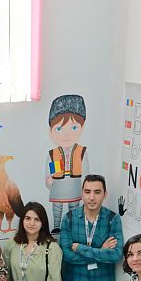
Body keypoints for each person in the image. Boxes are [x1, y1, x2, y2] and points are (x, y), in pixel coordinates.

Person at [60, 175, 124, 281]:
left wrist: (81, 248)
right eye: (87, 192)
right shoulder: (69, 218)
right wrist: (101, 251)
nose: (92, 197)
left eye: (97, 192)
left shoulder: (112, 219)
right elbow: (66, 255)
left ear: (105, 194)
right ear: (82, 193)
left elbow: (116, 255)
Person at [2, 202, 62, 281]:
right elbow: (5, 272)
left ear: (43, 223)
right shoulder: (12, 244)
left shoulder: (51, 247)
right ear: (22, 221)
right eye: (28, 218)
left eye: (37, 219)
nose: (31, 223)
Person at [45, 94, 89, 234]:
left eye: (73, 128)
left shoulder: (81, 151)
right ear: (50, 131)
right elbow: (50, 172)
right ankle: (56, 225)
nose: (66, 134)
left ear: (82, 128)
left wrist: (85, 186)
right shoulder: (53, 153)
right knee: (57, 206)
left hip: (75, 184)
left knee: (74, 206)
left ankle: (72, 226)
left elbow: (86, 172)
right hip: (58, 185)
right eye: (59, 129)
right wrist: (49, 180)